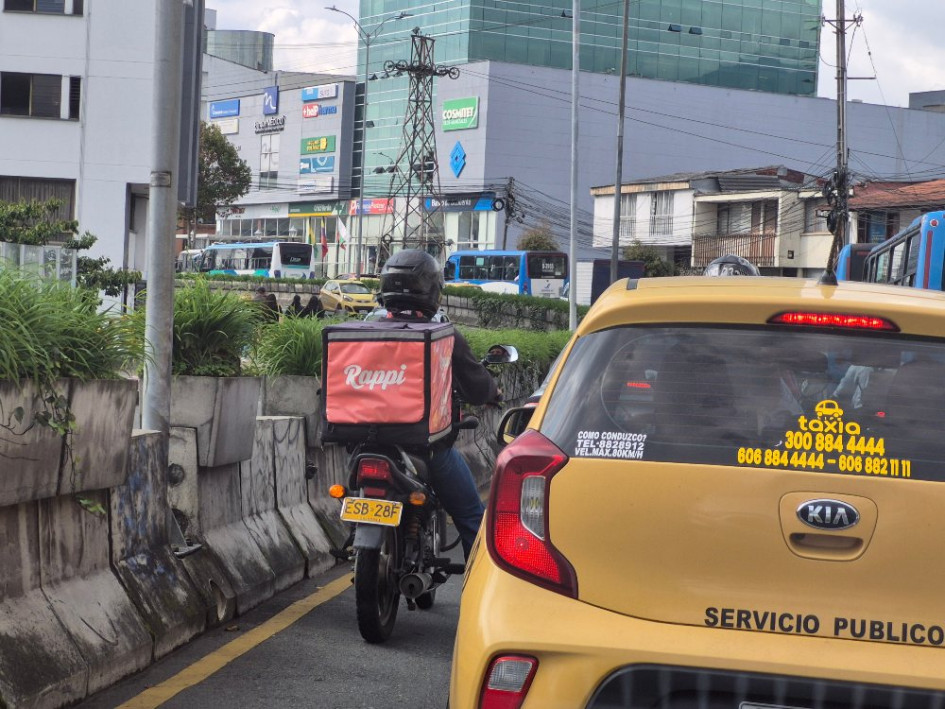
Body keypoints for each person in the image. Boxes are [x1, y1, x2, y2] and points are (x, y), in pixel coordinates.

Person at [378, 249, 501, 559]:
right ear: (431, 291)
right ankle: (482, 588)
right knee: (472, 514)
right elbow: (476, 389)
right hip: (425, 447)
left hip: (364, 440)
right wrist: (492, 394)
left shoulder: (363, 332)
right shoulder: (443, 336)